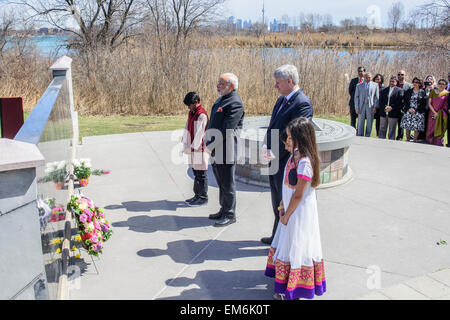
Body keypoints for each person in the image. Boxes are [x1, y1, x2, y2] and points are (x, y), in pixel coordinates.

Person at [264, 117, 326, 300]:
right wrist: (282, 206)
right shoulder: (295, 156)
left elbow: (299, 194)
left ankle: (294, 290)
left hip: (298, 213)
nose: (287, 141)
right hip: (290, 210)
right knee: (288, 244)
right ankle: (284, 286)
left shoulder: (305, 162)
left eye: (290, 138)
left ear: (301, 137)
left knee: (297, 246)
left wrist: (286, 215)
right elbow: (288, 188)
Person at [261, 64, 314, 245]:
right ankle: (277, 235)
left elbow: (295, 134)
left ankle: (284, 239)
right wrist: (266, 146)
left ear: (290, 81)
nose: (275, 86)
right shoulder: (281, 100)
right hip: (274, 159)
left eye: (278, 83)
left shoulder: (302, 103)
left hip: (287, 161)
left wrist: (275, 150)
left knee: (285, 201)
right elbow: (273, 127)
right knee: (277, 199)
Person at [205, 73, 245, 227]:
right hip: (217, 149)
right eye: (218, 82)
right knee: (221, 182)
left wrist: (210, 147)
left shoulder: (235, 103)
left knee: (228, 184)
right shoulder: (222, 99)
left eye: (222, 83)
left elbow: (227, 129)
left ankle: (230, 214)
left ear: (231, 86)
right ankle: (223, 209)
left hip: (226, 150)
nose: (218, 85)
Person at [181, 92, 209, 207]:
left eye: (189, 105)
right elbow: (187, 127)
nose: (188, 107)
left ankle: (203, 197)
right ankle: (197, 195)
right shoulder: (191, 113)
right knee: (195, 172)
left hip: (199, 149)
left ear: (196, 102)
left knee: (201, 174)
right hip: (192, 149)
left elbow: (199, 134)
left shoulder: (201, 115)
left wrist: (192, 148)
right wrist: (184, 142)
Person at [400, 77, 427, 142]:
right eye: (414, 82)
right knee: (407, 126)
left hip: (418, 111)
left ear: (420, 84)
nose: (415, 83)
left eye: (417, 82)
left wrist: (415, 109)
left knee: (416, 127)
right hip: (409, 110)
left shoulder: (423, 92)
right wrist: (409, 109)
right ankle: (408, 139)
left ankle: (414, 140)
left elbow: (423, 103)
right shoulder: (408, 91)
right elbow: (405, 102)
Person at [378, 76, 404, 140]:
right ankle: (381, 141)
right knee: (382, 128)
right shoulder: (384, 90)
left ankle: (391, 142)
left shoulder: (399, 91)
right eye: (390, 81)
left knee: (392, 129)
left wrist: (391, 107)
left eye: (393, 81)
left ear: (396, 82)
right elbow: (381, 101)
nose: (391, 83)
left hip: (393, 113)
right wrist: (385, 107)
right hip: (384, 112)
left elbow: (400, 102)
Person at [354, 72, 379, 137]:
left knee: (369, 121)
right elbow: (356, 97)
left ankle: (368, 135)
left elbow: (376, 97)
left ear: (371, 77)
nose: (368, 79)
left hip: (370, 106)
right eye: (366, 77)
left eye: (369, 77)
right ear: (364, 77)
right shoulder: (359, 85)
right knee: (360, 121)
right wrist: (356, 107)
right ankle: (360, 134)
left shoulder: (375, 85)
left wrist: (375, 107)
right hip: (361, 106)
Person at [426, 79, 449, 146]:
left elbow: (446, 105)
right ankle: (429, 143)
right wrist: (434, 112)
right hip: (432, 113)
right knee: (430, 128)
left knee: (439, 128)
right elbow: (429, 103)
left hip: (441, 114)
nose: (441, 85)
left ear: (446, 85)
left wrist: (439, 113)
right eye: (440, 83)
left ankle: (438, 144)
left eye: (443, 84)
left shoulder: (447, 94)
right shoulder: (433, 92)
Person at [418, 75, 437, 142]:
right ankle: (421, 138)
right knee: (422, 123)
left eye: (431, 79)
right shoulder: (422, 90)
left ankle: (429, 139)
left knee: (430, 124)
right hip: (423, 110)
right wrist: (425, 90)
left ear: (433, 81)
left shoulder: (435, 90)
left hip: (431, 110)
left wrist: (432, 89)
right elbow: (420, 99)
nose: (429, 80)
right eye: (428, 79)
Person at [396, 70, 413, 141]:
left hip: (404, 107)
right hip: (394, 107)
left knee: (401, 124)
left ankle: (400, 137)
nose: (400, 76)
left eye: (402, 74)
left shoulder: (409, 86)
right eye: (399, 74)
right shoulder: (394, 83)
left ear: (405, 76)